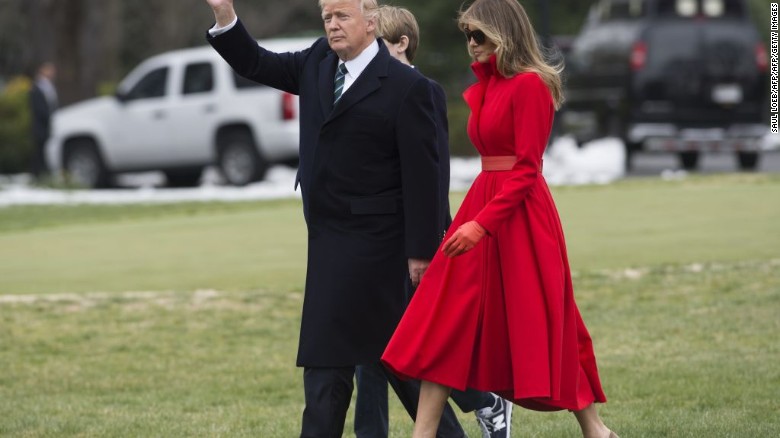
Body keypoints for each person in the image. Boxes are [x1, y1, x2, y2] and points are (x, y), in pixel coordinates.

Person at [204, 1, 467, 436]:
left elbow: (428, 177)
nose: (332, 25)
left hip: (384, 255)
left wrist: (422, 251)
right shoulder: (318, 61)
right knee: (325, 374)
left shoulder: (408, 87)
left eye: (342, 16)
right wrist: (225, 17)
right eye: (327, 17)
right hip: (329, 248)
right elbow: (255, 62)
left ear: (371, 21)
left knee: (405, 370)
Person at [381, 0, 619, 437]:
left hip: (518, 217)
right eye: (467, 37)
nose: (471, 46)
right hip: (482, 206)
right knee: (444, 315)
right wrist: (473, 221)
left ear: (504, 33)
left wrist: (481, 224)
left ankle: (595, 429)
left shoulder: (530, 86)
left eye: (479, 36)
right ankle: (423, 433)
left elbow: (527, 169)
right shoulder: (490, 84)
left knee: (546, 320)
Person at [353, 5, 513, 438]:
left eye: (379, 45)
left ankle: (482, 399)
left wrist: (432, 239)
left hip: (415, 242)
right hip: (373, 239)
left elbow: (433, 173)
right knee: (371, 347)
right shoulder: (365, 91)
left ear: (401, 43)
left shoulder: (422, 90)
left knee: (410, 344)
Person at [28, 61, 58, 180]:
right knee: (39, 150)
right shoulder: (37, 87)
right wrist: (48, 117)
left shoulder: (50, 87)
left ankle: (44, 173)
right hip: (40, 125)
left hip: (48, 124)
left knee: (45, 150)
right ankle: (37, 174)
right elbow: (38, 108)